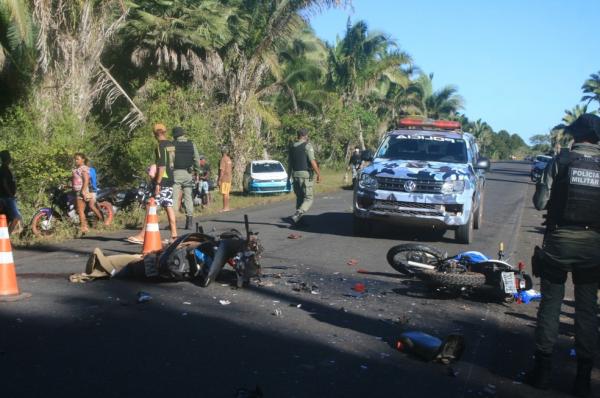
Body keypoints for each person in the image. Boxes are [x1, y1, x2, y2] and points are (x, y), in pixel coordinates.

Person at [526, 113, 600, 397]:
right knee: (587, 310)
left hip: (559, 243)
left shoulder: (562, 161)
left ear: (576, 135)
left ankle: (542, 371)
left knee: (551, 304)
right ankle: (582, 379)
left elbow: (539, 202)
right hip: (593, 247)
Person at [126, 123, 178, 244]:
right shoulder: (171, 145)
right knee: (168, 205)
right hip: (170, 179)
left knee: (151, 204)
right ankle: (174, 235)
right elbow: (171, 163)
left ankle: (143, 235)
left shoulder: (160, 146)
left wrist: (158, 183)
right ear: (165, 132)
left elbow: (162, 166)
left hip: (162, 180)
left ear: (155, 134)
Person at [287, 128, 322, 224]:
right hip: (305, 176)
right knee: (309, 198)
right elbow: (312, 161)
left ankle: (298, 222)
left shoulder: (292, 147)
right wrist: (318, 174)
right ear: (305, 136)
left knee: (299, 198)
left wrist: (288, 179)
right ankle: (299, 213)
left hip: (295, 175)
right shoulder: (307, 146)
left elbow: (290, 165)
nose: (308, 137)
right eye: (307, 135)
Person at [171, 126, 200, 229]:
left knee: (174, 198)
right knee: (188, 198)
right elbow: (196, 159)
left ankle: (173, 222)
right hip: (188, 173)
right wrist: (197, 171)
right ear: (183, 134)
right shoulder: (191, 144)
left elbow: (170, 160)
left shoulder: (172, 145)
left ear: (174, 135)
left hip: (176, 173)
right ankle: (189, 222)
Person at [0, 150, 23, 234]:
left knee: (7, 218)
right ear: (7, 158)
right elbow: (4, 183)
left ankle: (4, 236)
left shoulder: (4, 168)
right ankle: (6, 237)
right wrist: (11, 195)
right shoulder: (4, 169)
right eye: (9, 156)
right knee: (16, 217)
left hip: (5, 197)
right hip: (7, 197)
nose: (11, 158)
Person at [72, 153, 93, 234]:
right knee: (78, 209)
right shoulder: (77, 169)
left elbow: (86, 180)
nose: (76, 161)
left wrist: (83, 191)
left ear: (83, 160)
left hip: (81, 192)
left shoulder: (83, 168)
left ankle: (84, 227)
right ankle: (84, 225)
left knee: (80, 210)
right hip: (77, 191)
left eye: (77, 159)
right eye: (75, 159)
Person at [84, 159, 106, 225]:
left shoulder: (90, 170)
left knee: (91, 205)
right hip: (87, 190)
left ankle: (102, 221)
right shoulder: (89, 170)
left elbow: (88, 179)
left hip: (92, 190)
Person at [218, 147, 233, 212]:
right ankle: (227, 207)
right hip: (229, 178)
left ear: (222, 152)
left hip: (224, 178)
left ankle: (224, 208)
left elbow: (222, 170)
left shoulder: (223, 159)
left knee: (224, 193)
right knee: (227, 193)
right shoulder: (229, 159)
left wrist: (219, 179)